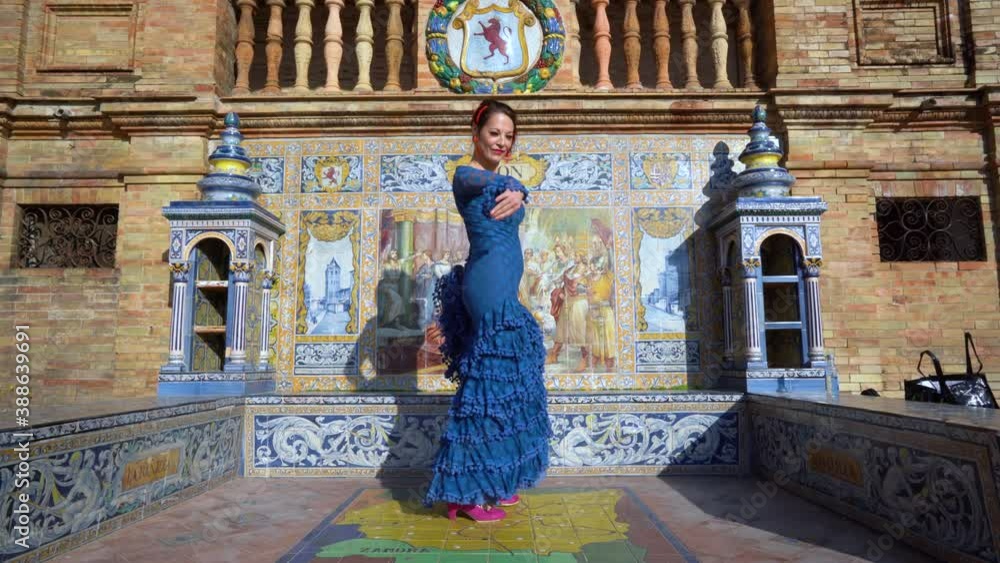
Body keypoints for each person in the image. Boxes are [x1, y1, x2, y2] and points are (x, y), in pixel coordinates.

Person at [423, 100, 550, 523]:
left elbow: (507, 187)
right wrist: (520, 188)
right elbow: (478, 178)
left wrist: (519, 190)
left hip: (502, 286)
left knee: (505, 382)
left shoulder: (501, 182)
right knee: (487, 387)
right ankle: (464, 493)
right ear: (476, 134)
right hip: (487, 287)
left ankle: (494, 481)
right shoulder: (466, 176)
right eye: (494, 133)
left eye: (509, 136)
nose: (502, 142)